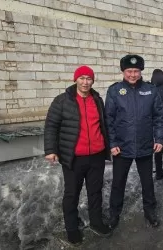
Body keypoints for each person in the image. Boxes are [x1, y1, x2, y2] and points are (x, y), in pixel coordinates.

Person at [44, 65, 112, 246]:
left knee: (95, 192)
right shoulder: (62, 100)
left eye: (88, 78)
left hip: (96, 155)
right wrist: (50, 150)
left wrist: (109, 146)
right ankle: (72, 229)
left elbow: (103, 126)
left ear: (93, 81)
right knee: (72, 194)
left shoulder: (97, 99)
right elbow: (51, 125)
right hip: (74, 157)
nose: (85, 82)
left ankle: (96, 223)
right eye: (81, 78)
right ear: (75, 79)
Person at [105, 54, 163, 229]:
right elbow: (108, 120)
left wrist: (160, 138)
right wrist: (112, 143)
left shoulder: (151, 90)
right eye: (129, 71)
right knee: (118, 183)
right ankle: (114, 214)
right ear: (123, 71)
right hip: (122, 147)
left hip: (145, 145)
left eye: (136, 71)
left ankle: (150, 211)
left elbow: (160, 117)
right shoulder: (115, 91)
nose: (132, 74)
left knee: (148, 182)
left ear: (141, 71)